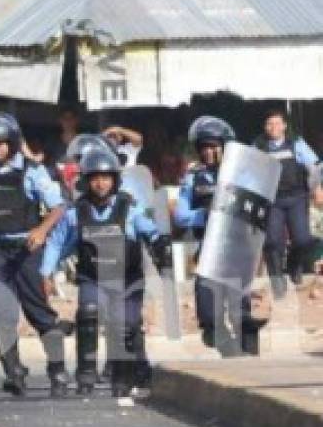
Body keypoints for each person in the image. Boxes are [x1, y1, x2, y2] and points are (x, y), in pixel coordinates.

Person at [41, 150, 171, 397]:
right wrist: (46, 272)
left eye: (106, 178)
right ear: (86, 181)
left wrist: (161, 247)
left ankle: (123, 377)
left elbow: (152, 233)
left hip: (127, 281)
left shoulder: (130, 210)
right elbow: (57, 242)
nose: (101, 184)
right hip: (93, 279)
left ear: (115, 180)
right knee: (88, 315)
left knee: (125, 325)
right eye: (95, 178)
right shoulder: (75, 213)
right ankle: (86, 375)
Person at [0, 113, 71, 397]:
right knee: (1, 315)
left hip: (26, 251)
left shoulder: (31, 171)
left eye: (0, 144)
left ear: (12, 143)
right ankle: (13, 371)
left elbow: (59, 206)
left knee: (39, 312)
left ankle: (58, 371)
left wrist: (41, 230)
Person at [174, 115, 263, 356]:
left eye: (213, 147)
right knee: (208, 315)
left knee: (240, 312)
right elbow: (181, 216)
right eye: (204, 148)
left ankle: (249, 352)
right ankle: (222, 340)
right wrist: (205, 215)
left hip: (237, 247)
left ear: (225, 147)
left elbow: (256, 208)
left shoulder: (242, 175)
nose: (208, 152)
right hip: (209, 248)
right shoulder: (193, 178)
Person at [253, 108, 320, 296]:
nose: (273, 127)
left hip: (296, 197)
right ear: (265, 127)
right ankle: (277, 281)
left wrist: (316, 189)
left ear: (284, 126)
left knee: (303, 239)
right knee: (273, 241)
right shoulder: (258, 146)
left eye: (277, 123)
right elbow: (249, 171)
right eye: (269, 123)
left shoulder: (296, 144)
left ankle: (294, 264)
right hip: (272, 200)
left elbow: (314, 167)